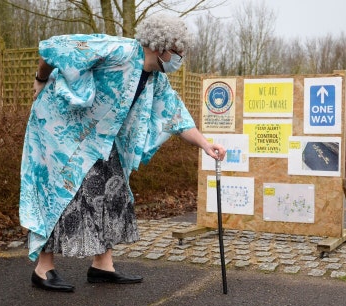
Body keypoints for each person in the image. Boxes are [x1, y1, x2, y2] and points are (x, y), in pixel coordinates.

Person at [20, 15, 226, 292]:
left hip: (98, 138)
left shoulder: (155, 78)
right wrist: (40, 80)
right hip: (59, 128)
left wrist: (205, 144)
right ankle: (43, 269)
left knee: (111, 189)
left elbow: (175, 114)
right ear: (160, 46)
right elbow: (54, 49)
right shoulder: (116, 49)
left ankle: (102, 266)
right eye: (178, 52)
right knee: (64, 193)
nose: (180, 59)